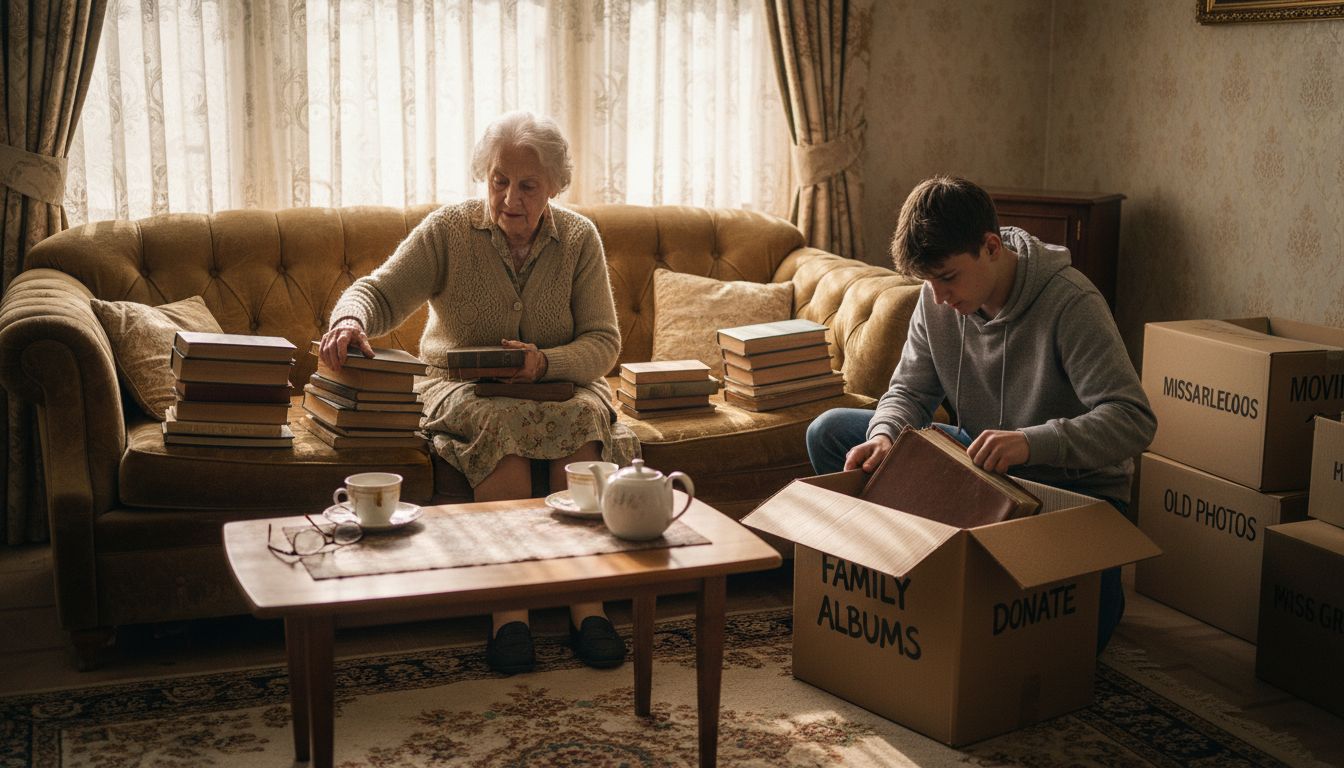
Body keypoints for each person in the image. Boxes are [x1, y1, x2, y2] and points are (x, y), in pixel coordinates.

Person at [319, 111, 639, 674]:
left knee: (584, 419)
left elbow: (603, 342)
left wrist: (544, 363)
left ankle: (588, 605)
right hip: (461, 388)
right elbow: (379, 292)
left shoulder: (578, 238)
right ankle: (508, 612)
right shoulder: (449, 231)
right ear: (484, 177)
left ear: (555, 187)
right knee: (499, 423)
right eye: (499, 180)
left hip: (558, 386)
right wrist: (350, 320)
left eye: (527, 185)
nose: (510, 198)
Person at [805, 175, 1156, 653]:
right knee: (830, 432)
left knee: (1071, 644)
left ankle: (951, 575)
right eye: (928, 282)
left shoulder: (1072, 303)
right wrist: (885, 436)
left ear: (991, 247)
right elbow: (908, 390)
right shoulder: (936, 300)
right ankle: (917, 576)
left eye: (948, 278)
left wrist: (1031, 442)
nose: (939, 297)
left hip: (1070, 488)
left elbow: (1134, 420)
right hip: (983, 467)